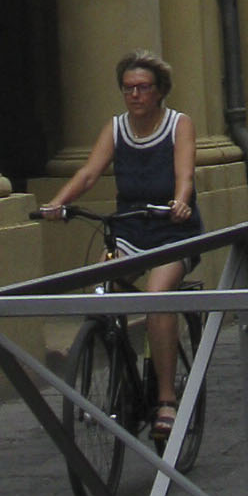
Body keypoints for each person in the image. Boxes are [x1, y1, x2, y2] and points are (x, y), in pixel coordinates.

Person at [38, 50, 202, 430]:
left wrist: (180, 201)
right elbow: (89, 173)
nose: (135, 96)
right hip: (128, 228)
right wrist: (58, 203)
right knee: (102, 288)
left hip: (170, 230)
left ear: (160, 91)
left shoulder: (179, 125)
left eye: (143, 88)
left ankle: (165, 399)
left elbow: (185, 174)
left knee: (157, 298)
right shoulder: (116, 128)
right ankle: (122, 366)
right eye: (128, 89)